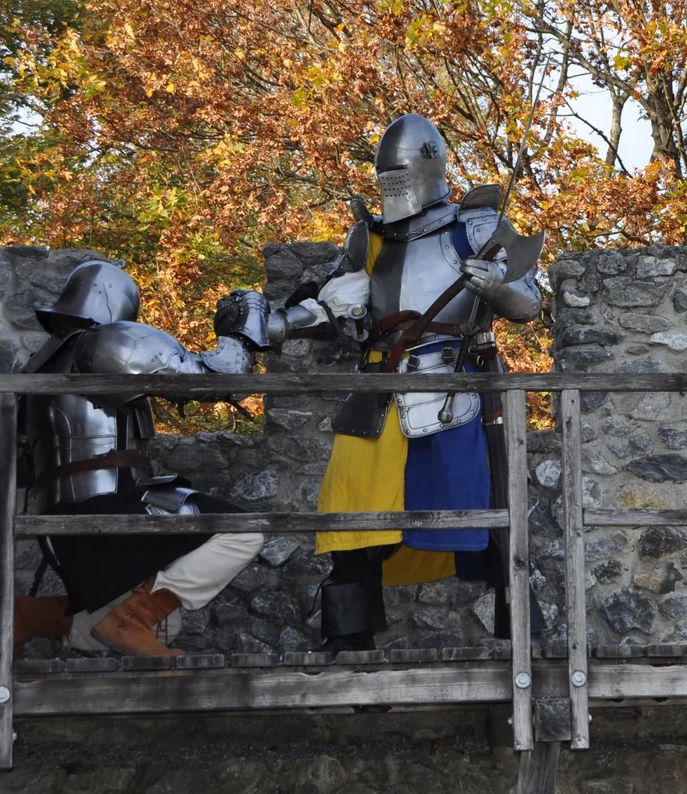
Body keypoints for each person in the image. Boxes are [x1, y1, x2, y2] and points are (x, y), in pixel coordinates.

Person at [223, 114, 544, 652]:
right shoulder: (366, 239)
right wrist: (281, 323)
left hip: (455, 393)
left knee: (487, 521)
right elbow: (335, 309)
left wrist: (493, 286)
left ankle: (526, 650)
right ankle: (351, 649)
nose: (390, 184)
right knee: (351, 522)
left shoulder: (478, 227)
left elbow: (528, 303)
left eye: (399, 172)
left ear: (427, 165)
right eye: (383, 174)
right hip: (376, 390)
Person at [12, 260, 271, 658]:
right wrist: (249, 326)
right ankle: (130, 617)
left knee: (167, 628)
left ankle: (40, 615)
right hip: (102, 509)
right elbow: (217, 377)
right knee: (242, 529)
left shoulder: (41, 364)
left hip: (59, 519)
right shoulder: (105, 342)